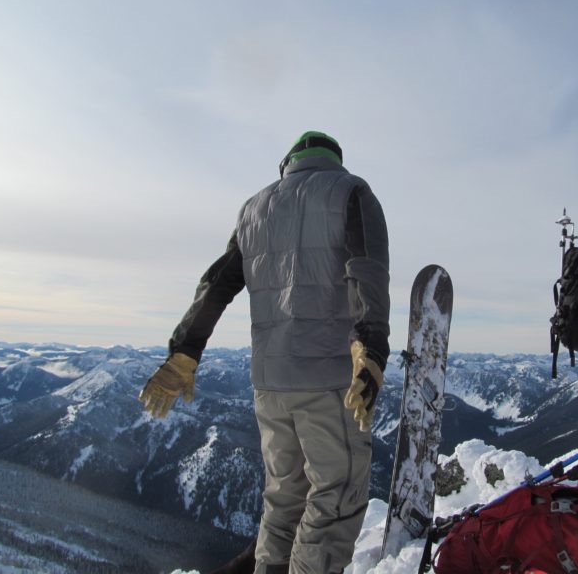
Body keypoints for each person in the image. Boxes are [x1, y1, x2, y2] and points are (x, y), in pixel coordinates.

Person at [138, 131, 391, 574]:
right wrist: (371, 344)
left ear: (288, 163)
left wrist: (185, 352)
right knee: (335, 499)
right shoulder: (352, 192)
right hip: (329, 380)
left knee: (283, 502)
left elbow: (217, 284)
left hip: (269, 386)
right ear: (335, 160)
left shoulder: (253, 209)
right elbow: (365, 270)